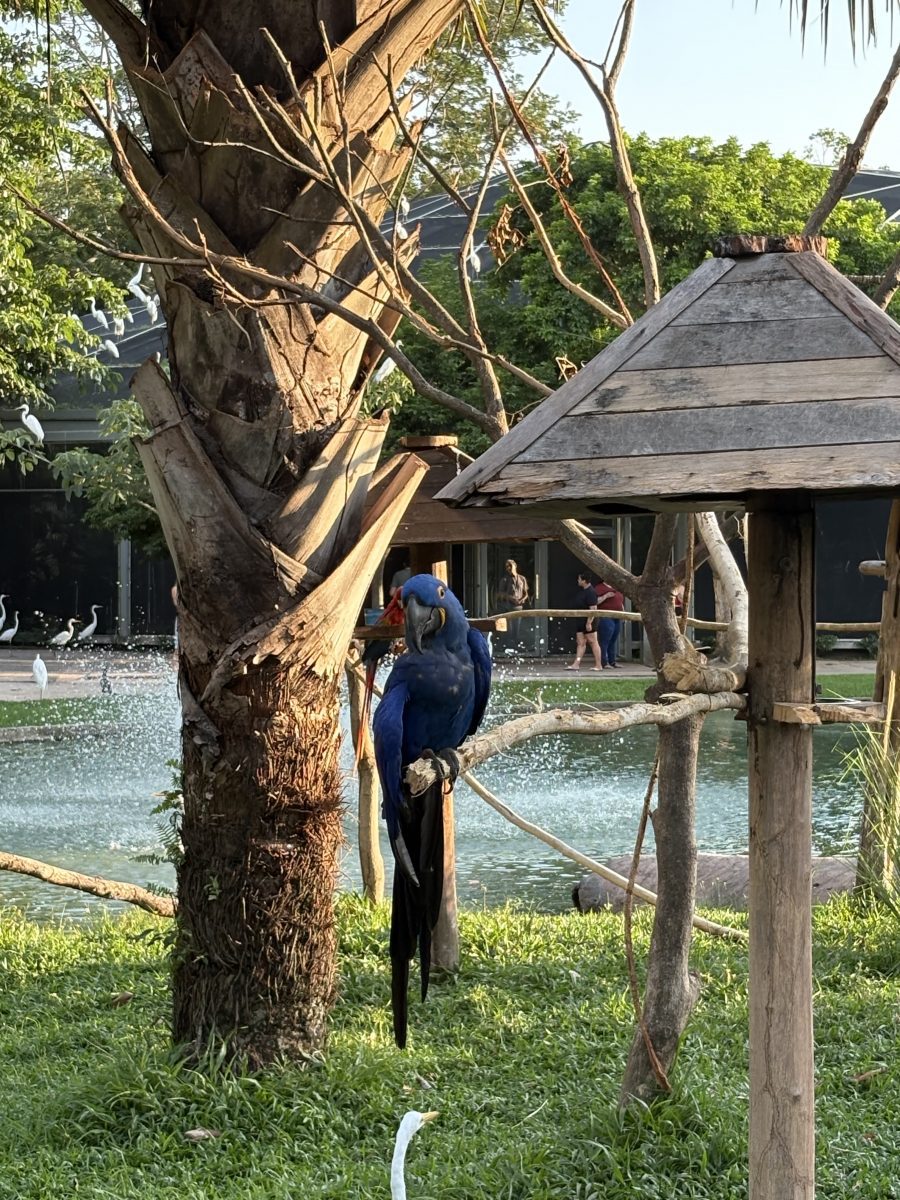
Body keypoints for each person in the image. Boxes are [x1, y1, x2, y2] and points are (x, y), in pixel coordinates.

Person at [565, 572, 603, 670]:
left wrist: (589, 622)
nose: (578, 581)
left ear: (584, 581)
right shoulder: (583, 591)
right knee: (580, 642)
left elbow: (593, 609)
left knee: (593, 641)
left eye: (579, 579)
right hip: (580, 620)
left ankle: (598, 665)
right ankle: (576, 664)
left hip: (589, 620)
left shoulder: (591, 592)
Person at [594, 578, 625, 668]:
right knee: (605, 640)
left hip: (617, 617)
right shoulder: (599, 588)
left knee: (613, 640)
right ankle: (604, 662)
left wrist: (623, 611)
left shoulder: (617, 588)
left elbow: (620, 601)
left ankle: (612, 661)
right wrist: (606, 596)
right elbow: (595, 601)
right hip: (605, 617)